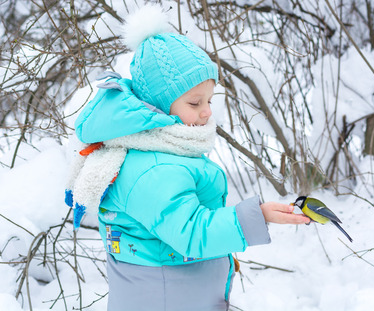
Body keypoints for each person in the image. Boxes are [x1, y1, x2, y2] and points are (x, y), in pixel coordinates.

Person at [66, 4, 310, 311]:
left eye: (209, 99)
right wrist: (258, 216)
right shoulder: (153, 168)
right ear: (159, 104)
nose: (207, 112)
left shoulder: (163, 150)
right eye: (195, 103)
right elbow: (191, 232)